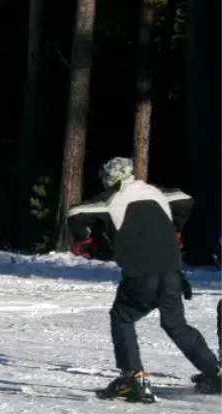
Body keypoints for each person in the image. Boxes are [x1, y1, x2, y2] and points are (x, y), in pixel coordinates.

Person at [68, 157, 222, 401]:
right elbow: (185, 198)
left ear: (109, 178)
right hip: (172, 271)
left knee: (122, 317)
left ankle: (133, 379)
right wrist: (176, 229)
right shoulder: (156, 192)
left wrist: (84, 240)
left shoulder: (111, 198)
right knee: (175, 325)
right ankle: (216, 374)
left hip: (141, 272)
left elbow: (75, 213)